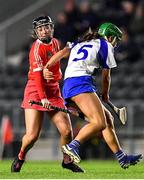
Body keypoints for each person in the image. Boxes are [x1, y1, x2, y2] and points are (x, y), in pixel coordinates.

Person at [43, 22, 142, 169]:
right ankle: (73, 146)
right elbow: (106, 76)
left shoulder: (81, 41)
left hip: (70, 84)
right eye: (115, 39)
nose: (115, 43)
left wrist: (47, 66)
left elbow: (63, 52)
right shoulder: (105, 45)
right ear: (109, 37)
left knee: (107, 119)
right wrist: (105, 95)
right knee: (99, 123)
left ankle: (122, 157)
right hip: (81, 83)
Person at [11, 15, 84, 173]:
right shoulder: (36, 49)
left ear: (52, 28)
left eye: (46, 27)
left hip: (53, 90)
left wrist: (56, 76)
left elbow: (56, 69)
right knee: (32, 136)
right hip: (35, 91)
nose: (44, 31)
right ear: (36, 32)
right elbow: (37, 77)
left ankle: (67, 160)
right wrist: (43, 98)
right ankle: (21, 156)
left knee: (66, 131)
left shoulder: (56, 42)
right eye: (40, 29)